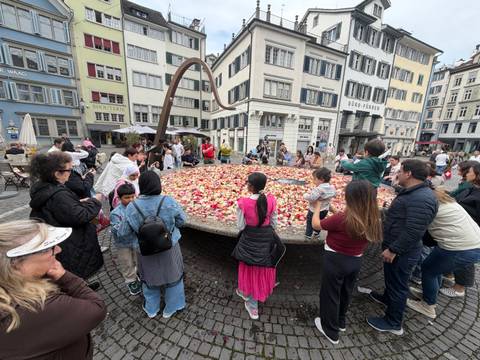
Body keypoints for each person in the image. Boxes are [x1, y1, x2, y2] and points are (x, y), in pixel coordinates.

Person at [0, 220, 107, 359]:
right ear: (16, 265)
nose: (58, 249)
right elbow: (97, 309)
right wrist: (64, 276)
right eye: (47, 249)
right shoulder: (39, 306)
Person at [367, 160, 438, 335]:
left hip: (403, 251)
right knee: (392, 279)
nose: (396, 174)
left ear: (409, 174)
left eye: (400, 171)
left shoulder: (422, 198)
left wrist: (393, 250)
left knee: (399, 285)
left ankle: (393, 323)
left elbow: (414, 230)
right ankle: (386, 298)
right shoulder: (415, 193)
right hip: (398, 245)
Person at [311, 180, 382, 344]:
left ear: (352, 198)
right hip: (355, 261)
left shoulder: (341, 219)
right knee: (345, 291)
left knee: (330, 294)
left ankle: (330, 330)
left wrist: (317, 207)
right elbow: (347, 221)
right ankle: (340, 321)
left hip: (335, 260)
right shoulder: (373, 217)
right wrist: (334, 210)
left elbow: (316, 225)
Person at [29, 152, 104, 284]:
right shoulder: (58, 194)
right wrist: (95, 201)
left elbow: (63, 210)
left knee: (70, 271)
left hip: (60, 237)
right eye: (69, 170)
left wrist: (78, 203)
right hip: (70, 241)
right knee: (73, 270)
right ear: (57, 173)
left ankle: (81, 286)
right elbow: (80, 216)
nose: (70, 173)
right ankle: (79, 292)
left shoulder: (45, 187)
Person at [405, 190, 480, 319]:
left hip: (462, 248)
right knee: (433, 267)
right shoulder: (447, 202)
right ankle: (429, 294)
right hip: (467, 243)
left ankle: (428, 306)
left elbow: (426, 239)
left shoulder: (429, 206)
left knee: (430, 271)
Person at [125, 171, 187, 319]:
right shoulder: (168, 201)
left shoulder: (132, 207)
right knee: (173, 278)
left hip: (145, 250)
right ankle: (171, 308)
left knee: (149, 280)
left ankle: (151, 309)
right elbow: (182, 221)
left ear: (141, 186)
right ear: (158, 184)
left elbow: (124, 232)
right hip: (169, 247)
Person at [233, 172, 283, 320]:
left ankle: (252, 305)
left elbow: (241, 226)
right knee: (262, 267)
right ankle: (260, 291)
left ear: (251, 186)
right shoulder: (272, 200)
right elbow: (274, 224)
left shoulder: (243, 202)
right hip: (266, 240)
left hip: (250, 240)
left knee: (250, 267)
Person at [440, 162, 480, 298]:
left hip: (470, 232)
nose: (467, 174)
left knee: (466, 260)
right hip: (461, 227)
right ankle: (451, 275)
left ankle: (459, 288)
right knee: (458, 256)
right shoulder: (473, 188)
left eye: (470, 172)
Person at [110, 183, 142, 296]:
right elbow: (119, 232)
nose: (131, 199)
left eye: (133, 196)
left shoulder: (137, 207)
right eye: (127, 197)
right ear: (119, 198)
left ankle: (139, 273)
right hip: (123, 244)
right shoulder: (115, 213)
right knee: (127, 263)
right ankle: (131, 280)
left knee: (138, 259)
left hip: (136, 241)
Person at [303, 168, 336, 241]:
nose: (313, 181)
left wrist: (305, 195)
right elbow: (334, 195)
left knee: (310, 222)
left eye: (315, 179)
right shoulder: (332, 187)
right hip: (325, 210)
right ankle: (316, 234)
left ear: (321, 179)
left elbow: (312, 198)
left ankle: (308, 235)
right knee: (320, 222)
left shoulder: (318, 189)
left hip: (314, 210)